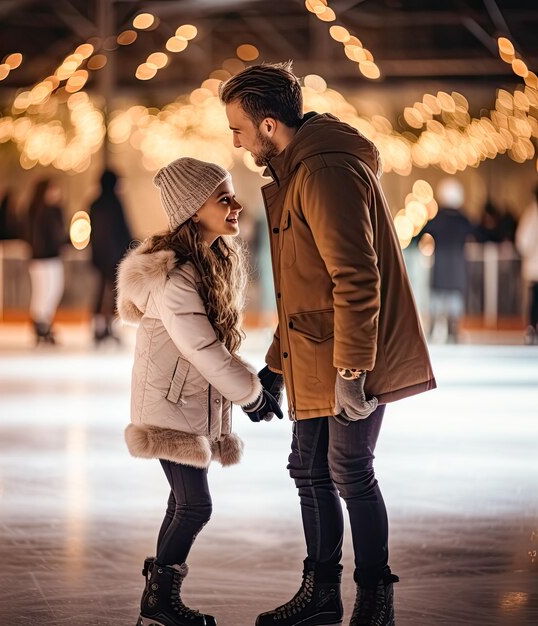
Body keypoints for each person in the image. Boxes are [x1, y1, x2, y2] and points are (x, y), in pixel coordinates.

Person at [220, 63, 436, 626]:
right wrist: (274, 368)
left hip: (349, 357)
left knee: (349, 469)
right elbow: (303, 292)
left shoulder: (323, 172)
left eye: (239, 129)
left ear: (269, 125)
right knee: (307, 467)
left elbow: (356, 279)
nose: (236, 141)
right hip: (318, 352)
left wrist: (351, 373)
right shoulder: (299, 172)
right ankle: (321, 593)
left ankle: (374, 600)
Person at [116, 157, 282, 626]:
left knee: (182, 502)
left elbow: (211, 350)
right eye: (222, 198)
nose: (236, 205)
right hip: (170, 407)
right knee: (195, 505)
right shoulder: (175, 275)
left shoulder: (208, 261)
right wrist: (250, 395)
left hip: (181, 401)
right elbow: (203, 350)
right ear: (193, 210)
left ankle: (157, 597)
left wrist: (255, 383)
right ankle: (159, 600)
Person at [421, 178, 475, 343]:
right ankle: (453, 331)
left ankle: (432, 330)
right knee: (454, 303)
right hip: (457, 270)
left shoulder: (438, 219)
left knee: (437, 302)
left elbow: (420, 235)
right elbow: (480, 234)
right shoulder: (463, 220)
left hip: (440, 269)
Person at [89, 169, 132, 345]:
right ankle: (112, 327)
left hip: (99, 256)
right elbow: (123, 229)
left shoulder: (95, 203)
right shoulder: (116, 203)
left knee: (100, 292)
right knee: (115, 292)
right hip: (115, 257)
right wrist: (130, 246)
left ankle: (98, 327)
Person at [27, 179, 65, 345]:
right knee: (44, 291)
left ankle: (44, 321)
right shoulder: (38, 212)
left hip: (50, 257)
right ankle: (40, 323)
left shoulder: (53, 211)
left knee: (52, 290)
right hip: (42, 259)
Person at [516, 184, 538, 345]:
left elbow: (523, 241)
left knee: (535, 298)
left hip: (534, 265)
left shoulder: (532, 214)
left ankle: (532, 328)